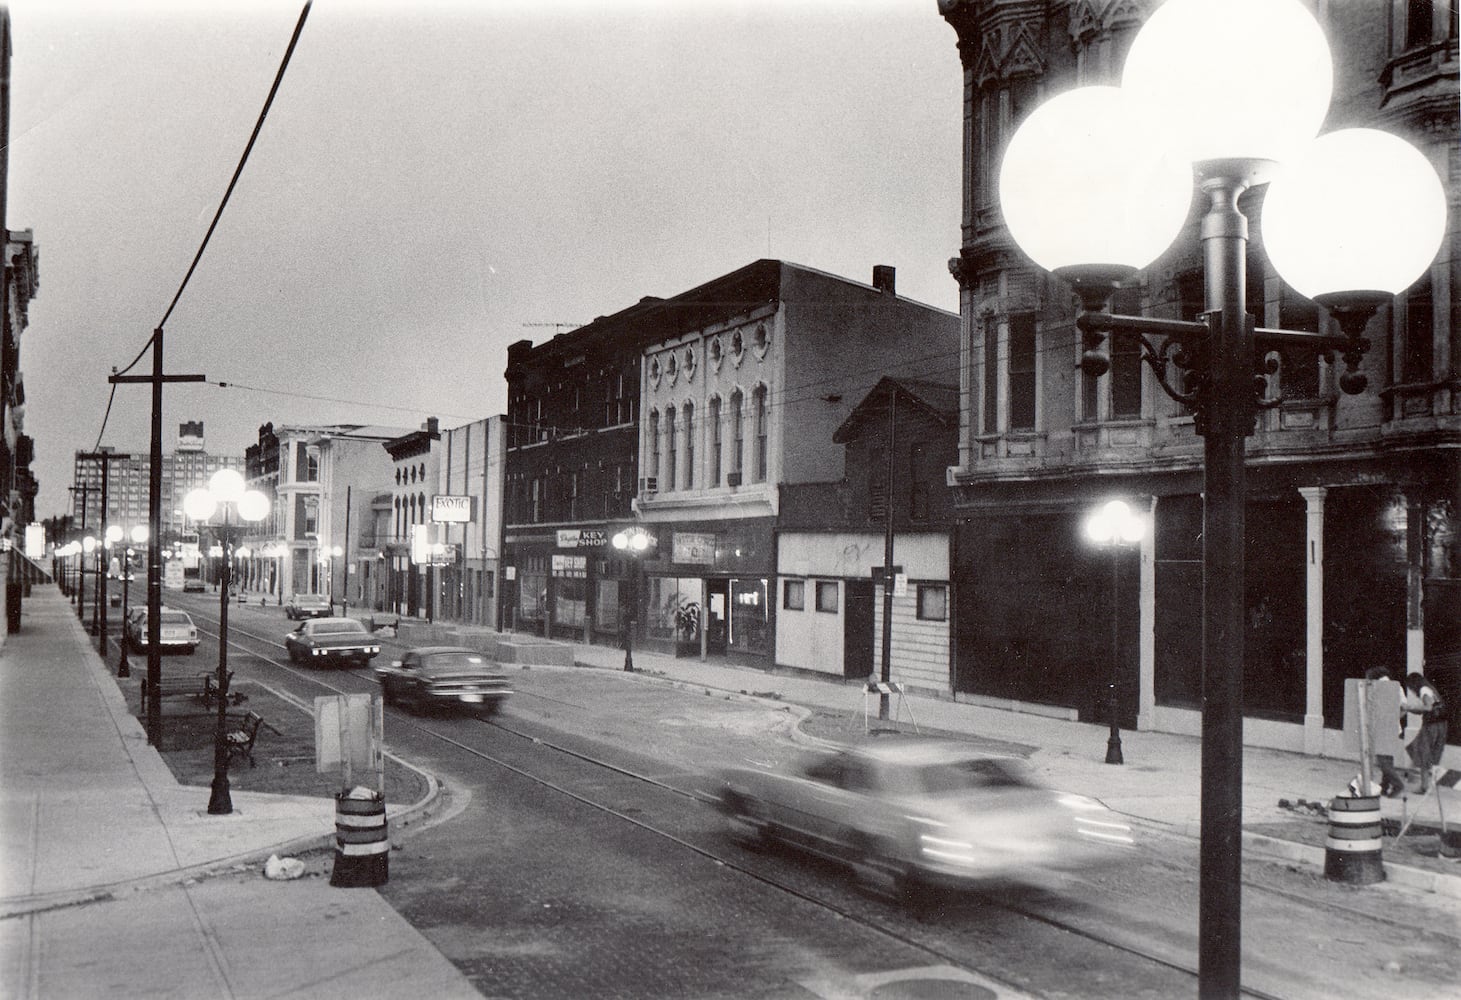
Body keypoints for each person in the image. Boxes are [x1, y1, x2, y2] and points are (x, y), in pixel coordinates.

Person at [1401, 672, 1447, 792]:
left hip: (1431, 726)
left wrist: (1409, 707)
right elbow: (1426, 709)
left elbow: (1428, 707)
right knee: (1423, 751)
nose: (1410, 690)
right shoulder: (1430, 689)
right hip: (1441, 724)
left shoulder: (1423, 690)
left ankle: (1424, 786)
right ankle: (1412, 776)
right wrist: (1410, 709)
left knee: (1422, 753)